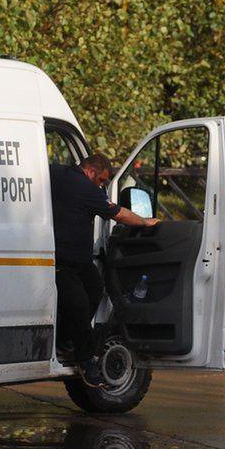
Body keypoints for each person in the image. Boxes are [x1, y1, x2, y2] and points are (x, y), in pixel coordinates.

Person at [51, 154, 160, 387]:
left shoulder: (57, 173)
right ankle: (85, 359)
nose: (101, 186)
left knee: (95, 288)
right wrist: (144, 222)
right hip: (62, 262)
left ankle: (65, 337)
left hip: (77, 262)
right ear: (91, 171)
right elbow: (119, 214)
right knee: (79, 305)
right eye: (101, 181)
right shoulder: (86, 188)